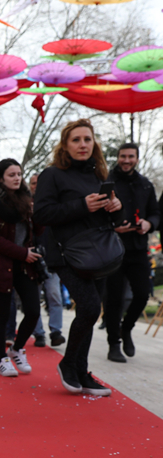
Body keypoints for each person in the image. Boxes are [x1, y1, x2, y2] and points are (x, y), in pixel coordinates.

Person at [33, 119, 123, 396]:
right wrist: (82, 205)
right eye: (76, 140)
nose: (83, 144)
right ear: (65, 145)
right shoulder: (52, 174)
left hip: (99, 253)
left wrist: (115, 208)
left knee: (90, 311)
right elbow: (42, 214)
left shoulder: (99, 174)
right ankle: (69, 364)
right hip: (67, 254)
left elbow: (109, 219)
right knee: (90, 307)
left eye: (87, 139)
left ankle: (82, 372)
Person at [0, 159, 43, 378]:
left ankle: (16, 350)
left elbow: (38, 230)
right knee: (1, 315)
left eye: (19, 174)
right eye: (11, 174)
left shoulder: (27, 201)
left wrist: (39, 212)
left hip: (26, 266)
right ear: (1, 177)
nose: (17, 178)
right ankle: (1, 359)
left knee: (33, 311)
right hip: (0, 265)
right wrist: (22, 252)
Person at [103, 143, 159, 362]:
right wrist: (112, 227)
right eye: (123, 156)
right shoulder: (107, 182)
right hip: (113, 248)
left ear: (137, 158)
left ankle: (126, 329)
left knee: (143, 294)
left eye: (131, 156)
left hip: (137, 248)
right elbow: (99, 214)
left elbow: (155, 213)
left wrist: (149, 224)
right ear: (118, 157)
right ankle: (113, 343)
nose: (126, 160)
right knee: (114, 299)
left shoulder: (145, 184)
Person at [28, 172, 66, 348]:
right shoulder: (25, 205)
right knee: (34, 300)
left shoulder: (53, 203)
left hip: (51, 259)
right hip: (32, 259)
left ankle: (56, 331)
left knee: (55, 296)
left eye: (39, 183)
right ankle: (39, 334)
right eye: (33, 183)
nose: (36, 186)